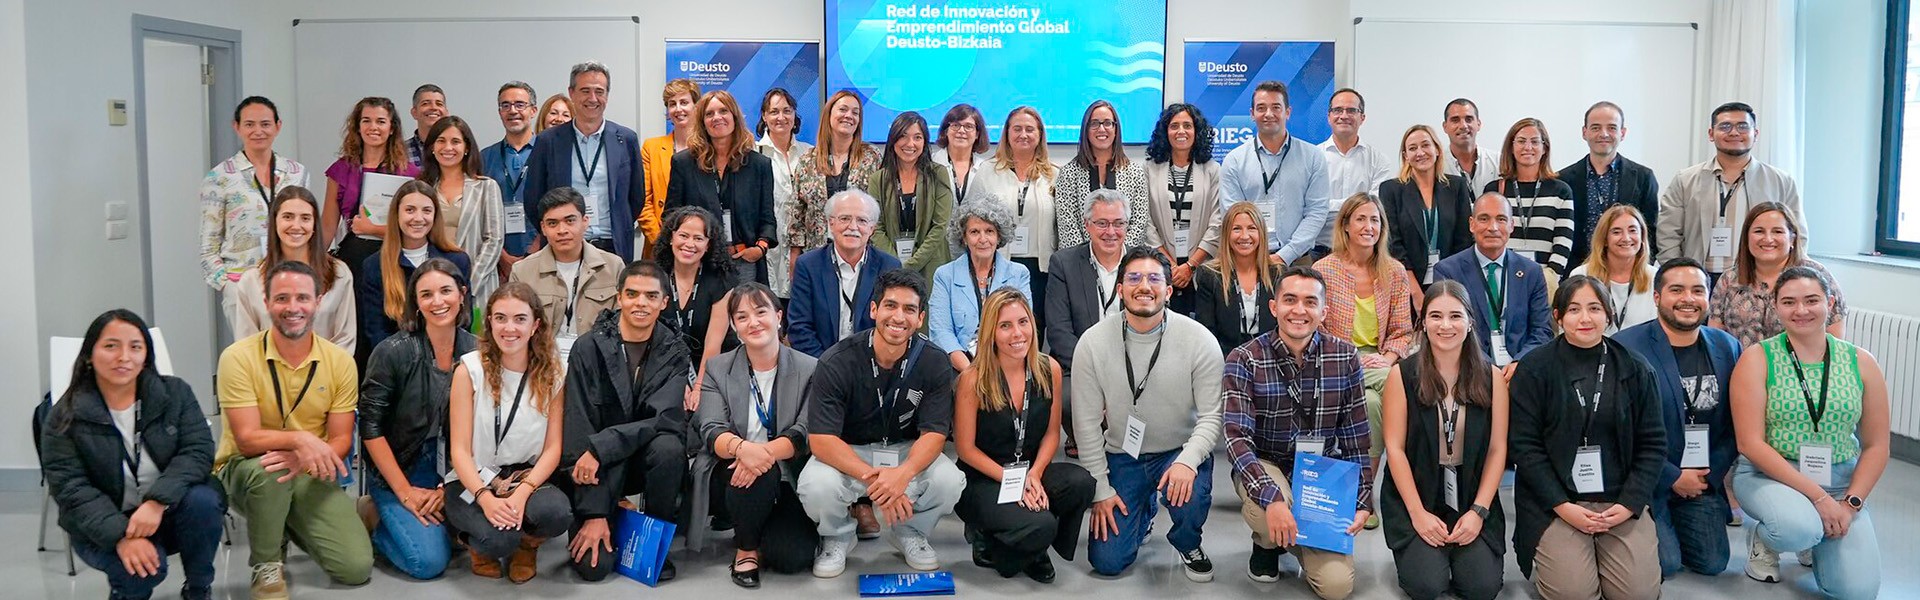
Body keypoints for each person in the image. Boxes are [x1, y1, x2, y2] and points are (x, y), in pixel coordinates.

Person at [40, 310, 225, 600]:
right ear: (89, 355)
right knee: (141, 571)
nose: (124, 356)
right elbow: (71, 488)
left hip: (164, 513)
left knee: (204, 500)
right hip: (102, 523)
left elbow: (198, 451)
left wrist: (157, 501)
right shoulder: (64, 416)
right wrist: (121, 536)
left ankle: (199, 590)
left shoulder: (174, 393)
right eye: (111, 346)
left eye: (135, 347)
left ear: (146, 356)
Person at [214, 261, 373, 598]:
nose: (293, 308)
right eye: (282, 298)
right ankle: (266, 565)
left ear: (318, 301)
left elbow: (343, 439)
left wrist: (303, 458)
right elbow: (246, 439)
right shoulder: (237, 357)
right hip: (247, 469)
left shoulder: (340, 362)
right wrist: (300, 441)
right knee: (271, 472)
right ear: (267, 303)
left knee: (355, 568)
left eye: (303, 298)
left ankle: (279, 519)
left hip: (309, 470)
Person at [1729, 267, 1887, 599]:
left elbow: (1876, 446)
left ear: (1829, 303)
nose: (1801, 310)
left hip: (1840, 482)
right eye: (1789, 302)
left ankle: (1816, 533)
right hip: (1769, 476)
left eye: (1812, 300)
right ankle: (1772, 536)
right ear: (1776, 307)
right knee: (1796, 528)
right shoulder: (1757, 359)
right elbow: (1750, 443)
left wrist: (1850, 504)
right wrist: (1818, 499)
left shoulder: (1861, 362)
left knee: (1858, 591)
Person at [1508, 275, 1667, 600]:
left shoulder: (1636, 369)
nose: (1585, 318)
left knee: (1637, 595)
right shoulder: (1535, 369)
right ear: (1558, 316)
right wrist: (1563, 506)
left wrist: (1628, 504)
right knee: (1574, 594)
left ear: (1608, 314)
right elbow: (1525, 448)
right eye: (1574, 309)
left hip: (1618, 499)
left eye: (1594, 308)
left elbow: (1653, 444)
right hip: (1556, 502)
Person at [800, 269, 966, 577]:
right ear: (874, 309)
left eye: (909, 309)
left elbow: (934, 434)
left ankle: (910, 532)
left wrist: (903, 474)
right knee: (815, 485)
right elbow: (822, 440)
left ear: (920, 318)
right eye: (890, 305)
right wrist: (877, 480)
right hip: (849, 452)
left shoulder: (934, 361)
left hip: (905, 450)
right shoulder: (836, 361)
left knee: (949, 481)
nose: (898, 317)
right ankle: (837, 536)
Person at [1073, 247, 1224, 581]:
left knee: (1189, 494)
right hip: (1123, 455)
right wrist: (1101, 490)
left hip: (1177, 453)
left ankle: (1188, 542)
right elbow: (1084, 425)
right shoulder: (1092, 343)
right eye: (1134, 278)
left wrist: (1188, 460)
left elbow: (1212, 416)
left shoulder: (1199, 340)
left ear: (1169, 291)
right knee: (1107, 561)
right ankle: (1144, 509)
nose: (1144, 286)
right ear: (1120, 289)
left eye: (1155, 278)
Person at [559, 260, 692, 582]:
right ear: (618, 298)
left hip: (640, 459)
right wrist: (594, 513)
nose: (640, 303)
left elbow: (665, 419)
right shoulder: (588, 347)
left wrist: (604, 446)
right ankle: (612, 512)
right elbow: (578, 426)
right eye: (632, 294)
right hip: (595, 470)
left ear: (664, 302)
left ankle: (654, 539)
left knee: (669, 447)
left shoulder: (675, 351)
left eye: (650, 296)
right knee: (594, 570)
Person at [953, 287, 1094, 583]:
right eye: (1005, 326)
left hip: (1028, 470)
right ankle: (1001, 537)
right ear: (991, 332)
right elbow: (965, 450)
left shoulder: (1048, 368)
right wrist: (1011, 482)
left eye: (1023, 322)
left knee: (1080, 483)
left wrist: (1034, 475)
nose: (1017, 333)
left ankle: (1031, 543)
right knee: (1041, 525)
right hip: (983, 478)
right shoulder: (972, 379)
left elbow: (1051, 435)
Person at [1379, 281, 1509, 600]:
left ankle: (1465, 548)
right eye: (1436, 316)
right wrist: (1418, 514)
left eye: (1455, 316)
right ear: (1423, 323)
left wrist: (1479, 511)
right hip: (1419, 492)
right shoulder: (1402, 375)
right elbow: (1394, 450)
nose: (1446, 325)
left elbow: (1498, 449)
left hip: (1470, 494)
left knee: (1481, 588)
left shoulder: (1492, 377)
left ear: (1469, 322)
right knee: (1426, 586)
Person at [1614, 258, 1743, 578]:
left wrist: (1707, 475)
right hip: (1648, 478)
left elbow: (1735, 425)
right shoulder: (1626, 348)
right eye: (1677, 290)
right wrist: (1672, 476)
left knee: (1713, 562)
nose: (1688, 298)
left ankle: (1674, 519)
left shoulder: (1728, 348)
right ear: (1657, 298)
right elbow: (1619, 432)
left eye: (1698, 290)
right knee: (1667, 564)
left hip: (1702, 476)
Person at [691, 283, 821, 588]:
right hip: (733, 468)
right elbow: (710, 428)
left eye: (761, 312)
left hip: (788, 468)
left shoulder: (810, 367)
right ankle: (746, 547)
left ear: (779, 316)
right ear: (735, 327)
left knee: (792, 558)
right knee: (754, 474)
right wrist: (743, 450)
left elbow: (805, 431)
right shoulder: (717, 368)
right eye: (742, 317)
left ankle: (767, 532)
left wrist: (762, 454)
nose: (754, 322)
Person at [444, 283, 573, 584]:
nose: (509, 328)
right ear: (488, 321)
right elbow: (460, 451)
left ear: (535, 325)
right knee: (497, 539)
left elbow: (553, 448)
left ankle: (527, 544)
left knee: (557, 514)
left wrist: (524, 492)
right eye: (500, 318)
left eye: (520, 319)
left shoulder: (554, 373)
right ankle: (480, 545)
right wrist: (485, 499)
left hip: (522, 476)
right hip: (473, 478)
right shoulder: (469, 370)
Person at [358, 259, 476, 580]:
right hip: (402, 467)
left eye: (446, 291)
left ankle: (446, 524)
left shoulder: (478, 352)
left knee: (485, 535)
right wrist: (405, 492)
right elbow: (370, 428)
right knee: (428, 562)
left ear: (462, 294)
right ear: (416, 304)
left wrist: (448, 489)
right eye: (426, 295)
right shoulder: (392, 352)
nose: (437, 302)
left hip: (456, 468)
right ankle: (374, 517)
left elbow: (483, 433)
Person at [1315, 193, 1416, 504]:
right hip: (1335, 361)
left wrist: (1385, 358)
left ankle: (1364, 496)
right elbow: (1315, 330)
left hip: (1380, 362)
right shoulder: (1323, 270)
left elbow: (1402, 331)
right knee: (1405, 386)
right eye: (1360, 218)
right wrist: (1357, 363)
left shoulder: (1394, 271)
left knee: (1373, 405)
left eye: (1374, 219)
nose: (1368, 226)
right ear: (1345, 225)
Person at [1657, 102, 1804, 280]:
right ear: (1711, 134)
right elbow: (1668, 234)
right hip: (1698, 278)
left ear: (1755, 134)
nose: (1734, 132)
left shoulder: (1781, 181)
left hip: (1755, 277)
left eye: (1743, 127)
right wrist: (1678, 275)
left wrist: (1783, 277)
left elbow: (1798, 235)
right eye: (1725, 126)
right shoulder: (1685, 180)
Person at [522, 62, 646, 261]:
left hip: (612, 247)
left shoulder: (625, 139)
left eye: (599, 91)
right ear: (571, 93)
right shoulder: (548, 141)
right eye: (585, 91)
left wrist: (620, 225)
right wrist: (556, 231)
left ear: (607, 95)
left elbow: (636, 197)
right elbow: (533, 198)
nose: (593, 98)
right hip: (564, 246)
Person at [1432, 192, 1554, 375]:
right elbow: (1450, 331)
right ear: (1471, 224)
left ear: (1512, 225)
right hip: (1469, 371)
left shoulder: (1532, 272)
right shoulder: (1448, 271)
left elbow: (1542, 331)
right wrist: (1490, 370)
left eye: (1501, 219)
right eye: (1484, 219)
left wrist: (1519, 363)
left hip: (1522, 371)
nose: (1493, 227)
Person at [666, 90, 778, 284]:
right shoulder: (683, 163)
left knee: (745, 313)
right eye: (709, 114)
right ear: (702, 122)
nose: (717, 118)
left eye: (723, 111)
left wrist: (759, 248)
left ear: (734, 117)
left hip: (744, 262)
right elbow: (671, 215)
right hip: (699, 261)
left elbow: (767, 218)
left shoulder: (759, 165)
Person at [227, 187, 357, 353]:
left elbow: (345, 339)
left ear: (314, 225)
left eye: (305, 218)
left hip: (325, 375)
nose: (296, 226)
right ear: (274, 222)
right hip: (267, 376)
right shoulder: (251, 280)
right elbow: (246, 347)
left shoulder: (339, 273)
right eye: (288, 217)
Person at [200, 96, 309, 292]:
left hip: (291, 280)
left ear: (278, 126)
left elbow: (308, 227)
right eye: (249, 124)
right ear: (237, 127)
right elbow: (208, 245)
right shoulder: (219, 177)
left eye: (265, 124)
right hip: (241, 282)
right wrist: (227, 286)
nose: (258, 131)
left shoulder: (296, 172)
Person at [1217, 81, 1330, 266]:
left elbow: (1316, 212)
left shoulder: (1313, 157)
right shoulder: (1234, 160)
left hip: (1298, 260)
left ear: (1288, 112)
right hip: (1247, 261)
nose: (1268, 114)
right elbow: (1232, 215)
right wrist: (1256, 255)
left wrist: (1286, 254)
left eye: (1276, 107)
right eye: (1261, 108)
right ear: (1252, 114)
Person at [356, 181, 472, 356]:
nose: (418, 218)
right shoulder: (374, 266)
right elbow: (376, 332)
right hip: (398, 365)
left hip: (449, 362)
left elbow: (464, 321)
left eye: (426, 210)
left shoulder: (458, 260)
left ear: (435, 215)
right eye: (410, 210)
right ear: (396, 214)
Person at [1709, 202, 1847, 348]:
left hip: (1799, 368)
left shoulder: (1818, 276)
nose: (1768, 239)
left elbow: (1835, 339)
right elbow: (1714, 338)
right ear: (1747, 238)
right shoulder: (1729, 280)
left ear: (1792, 239)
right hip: (1741, 367)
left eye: (1777, 231)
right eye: (1759, 231)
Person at [788, 189, 903, 357]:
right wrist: (826, 367)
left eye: (862, 220)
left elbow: (891, 325)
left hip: (871, 365)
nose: (853, 227)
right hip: (819, 364)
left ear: (872, 228)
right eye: (845, 219)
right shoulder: (808, 265)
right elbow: (799, 327)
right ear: (830, 223)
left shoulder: (889, 267)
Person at [509, 187, 622, 350]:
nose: (562, 230)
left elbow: (619, 327)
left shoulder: (613, 266)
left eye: (570, 221)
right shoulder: (522, 271)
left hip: (596, 362)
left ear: (585, 221)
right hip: (541, 362)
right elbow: (516, 326)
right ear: (543, 228)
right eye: (552, 223)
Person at [321, 96, 419, 280]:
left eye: (381, 121)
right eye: (366, 121)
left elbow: (414, 228)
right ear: (358, 127)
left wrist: (372, 228)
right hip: (354, 258)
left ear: (391, 128)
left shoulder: (410, 174)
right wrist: (315, 258)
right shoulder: (340, 170)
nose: (373, 127)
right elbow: (328, 224)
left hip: (395, 259)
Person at [930, 197, 1031, 371]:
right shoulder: (944, 275)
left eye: (989, 231)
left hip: (1007, 365)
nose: (983, 239)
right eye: (975, 232)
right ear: (964, 237)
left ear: (999, 236)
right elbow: (941, 332)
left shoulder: (1018, 274)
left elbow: (1023, 326)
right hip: (960, 367)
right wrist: (971, 373)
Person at [980, 106, 1059, 324]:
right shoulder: (987, 172)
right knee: (997, 326)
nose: (1023, 134)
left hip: (1040, 269)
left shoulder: (1054, 175)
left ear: (1040, 135)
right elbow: (971, 220)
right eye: (1017, 129)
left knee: (1034, 329)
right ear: (1006, 133)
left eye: (1029, 129)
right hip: (997, 264)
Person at [789, 90, 882, 273]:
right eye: (843, 109)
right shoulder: (808, 160)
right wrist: (795, 256)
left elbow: (881, 208)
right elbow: (797, 212)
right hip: (817, 256)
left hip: (861, 257)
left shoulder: (871, 157)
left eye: (855, 112)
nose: (849, 116)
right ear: (829, 114)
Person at [1559, 101, 1661, 265]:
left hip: (1627, 271)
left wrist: (1641, 270)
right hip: (1577, 271)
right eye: (1596, 127)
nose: (1604, 134)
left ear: (1623, 132)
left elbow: (1651, 231)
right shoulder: (1563, 180)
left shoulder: (1643, 178)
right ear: (1584, 132)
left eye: (1612, 128)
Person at [418, 115, 505, 304]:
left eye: (455, 141)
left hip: (477, 286)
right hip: (433, 285)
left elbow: (494, 240)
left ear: (466, 148)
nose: (448, 148)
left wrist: (468, 284)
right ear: (432, 147)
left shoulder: (486, 187)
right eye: (441, 141)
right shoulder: (422, 188)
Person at [1143, 103, 1222, 311]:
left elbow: (1217, 222)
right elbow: (1146, 221)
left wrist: (1190, 266)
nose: (1181, 131)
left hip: (1202, 267)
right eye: (1174, 126)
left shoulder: (1212, 170)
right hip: (1161, 268)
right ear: (1165, 131)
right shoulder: (1149, 169)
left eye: (1187, 125)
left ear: (1197, 131)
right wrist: (1169, 265)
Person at [1045, 189, 1133, 375]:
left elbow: (1155, 323)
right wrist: (1094, 368)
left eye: (1118, 224)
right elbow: (1059, 332)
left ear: (1127, 225)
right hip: (1080, 367)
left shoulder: (1143, 264)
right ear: (1087, 224)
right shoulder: (1064, 264)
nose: (1110, 232)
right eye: (1102, 223)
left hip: (1133, 368)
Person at [653, 206, 740, 386]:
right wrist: (678, 385)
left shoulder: (721, 280)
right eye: (683, 236)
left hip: (714, 367)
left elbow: (713, 345)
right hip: (665, 367)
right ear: (671, 237)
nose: (690, 244)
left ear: (708, 245)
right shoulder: (655, 277)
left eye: (698, 238)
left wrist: (700, 386)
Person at [1380, 124, 1474, 287]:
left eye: (1425, 145)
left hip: (1450, 280)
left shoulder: (1457, 186)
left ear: (1437, 149)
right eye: (1412, 148)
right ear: (1406, 156)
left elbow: (1463, 240)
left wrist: (1450, 287)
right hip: (1406, 283)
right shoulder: (1391, 190)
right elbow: (1393, 244)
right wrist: (1415, 293)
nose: (1420, 153)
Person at [869, 111, 957, 283]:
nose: (910, 144)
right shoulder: (878, 179)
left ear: (924, 142)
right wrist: (896, 264)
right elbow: (876, 228)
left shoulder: (938, 174)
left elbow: (940, 226)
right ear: (893, 139)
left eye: (917, 137)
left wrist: (910, 266)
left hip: (932, 264)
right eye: (903, 136)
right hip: (889, 266)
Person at [1056, 100, 1152, 249]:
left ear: (1115, 128)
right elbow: (1068, 226)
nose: (1101, 129)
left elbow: (1139, 223)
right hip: (1080, 264)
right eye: (1094, 123)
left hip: (1124, 263)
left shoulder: (1135, 173)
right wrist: (1085, 261)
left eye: (1107, 123)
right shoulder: (1068, 174)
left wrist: (1120, 259)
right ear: (1086, 129)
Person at [1487, 118, 1575, 280]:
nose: (1528, 147)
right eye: (1521, 141)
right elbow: (1488, 236)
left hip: (1544, 279)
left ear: (1544, 148)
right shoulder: (1495, 190)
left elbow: (1563, 240)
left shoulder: (1561, 191)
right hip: (1503, 277)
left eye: (1535, 142)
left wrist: (1550, 276)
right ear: (1511, 147)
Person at [1193, 201, 1282, 355]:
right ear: (1226, 234)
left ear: (1261, 233)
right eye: (1237, 229)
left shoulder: (1279, 274)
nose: (1244, 236)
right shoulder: (1209, 275)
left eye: (1252, 228)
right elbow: (1207, 332)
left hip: (1271, 361)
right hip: (1226, 359)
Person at [1316, 88, 1397, 251]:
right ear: (1329, 117)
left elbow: (1375, 207)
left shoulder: (1379, 160)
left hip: (1364, 253)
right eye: (1338, 110)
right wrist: (1357, 206)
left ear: (1362, 118)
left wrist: (1330, 206)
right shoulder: (1313, 157)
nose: (1344, 116)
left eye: (1351, 110)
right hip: (1320, 250)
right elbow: (1313, 207)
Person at [756, 88, 812, 299]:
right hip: (769, 248)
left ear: (794, 114)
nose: (781, 117)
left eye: (787, 111)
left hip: (804, 248)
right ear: (764, 116)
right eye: (774, 111)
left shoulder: (810, 153)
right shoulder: (753, 153)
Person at [1569, 205, 1658, 333]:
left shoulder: (1656, 277)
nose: (1626, 238)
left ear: (1642, 236)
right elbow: (1570, 327)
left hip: (1641, 352)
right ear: (1604, 240)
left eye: (1633, 230)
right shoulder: (1581, 275)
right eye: (1616, 232)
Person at [482, 82, 540, 268]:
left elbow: (557, 203)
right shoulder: (485, 157)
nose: (512, 110)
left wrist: (535, 250)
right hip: (497, 259)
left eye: (520, 104)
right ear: (500, 112)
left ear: (533, 110)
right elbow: (480, 212)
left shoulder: (548, 152)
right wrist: (501, 256)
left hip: (542, 254)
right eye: (505, 105)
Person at [643, 79, 703, 254]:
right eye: (672, 104)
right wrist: (662, 239)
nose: (678, 109)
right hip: (660, 243)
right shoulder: (651, 147)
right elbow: (643, 201)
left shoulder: (710, 149)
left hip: (700, 245)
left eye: (684, 102)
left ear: (696, 107)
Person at [932, 103, 992, 206]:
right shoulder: (931, 162)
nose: (961, 131)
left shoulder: (986, 168)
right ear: (946, 131)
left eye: (968, 126)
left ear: (977, 134)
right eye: (955, 125)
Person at [1440, 98, 1499, 194]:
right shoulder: (1436, 166)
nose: (1463, 125)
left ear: (1478, 124)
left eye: (1469, 119)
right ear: (1445, 126)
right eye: (1455, 120)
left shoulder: (1499, 162)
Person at [405, 84, 447, 167]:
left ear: (446, 113)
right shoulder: (400, 152)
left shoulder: (455, 151)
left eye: (439, 104)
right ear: (414, 113)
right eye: (425, 104)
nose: (434, 108)